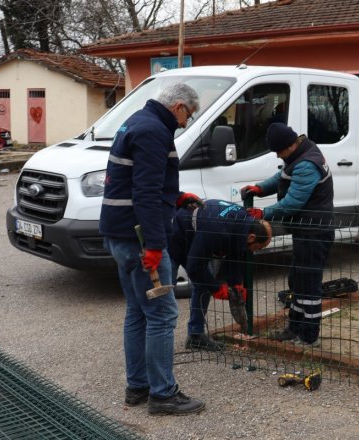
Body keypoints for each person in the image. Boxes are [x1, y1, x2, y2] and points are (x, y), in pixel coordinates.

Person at [99, 83, 205, 416]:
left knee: (137, 311)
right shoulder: (154, 132)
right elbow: (144, 193)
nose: (187, 123)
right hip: (139, 239)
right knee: (162, 315)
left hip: (119, 234)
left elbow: (142, 182)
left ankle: (138, 387)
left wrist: (175, 198)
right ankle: (163, 394)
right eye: (189, 115)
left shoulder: (137, 121)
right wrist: (156, 247)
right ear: (178, 106)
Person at [241, 123, 334, 348]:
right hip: (305, 231)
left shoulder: (307, 165)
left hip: (315, 232)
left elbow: (292, 203)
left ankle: (309, 337)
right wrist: (261, 188)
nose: (277, 155)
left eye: (278, 151)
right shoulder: (301, 153)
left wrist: (264, 212)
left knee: (309, 285)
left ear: (288, 146)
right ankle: (294, 328)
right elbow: (282, 176)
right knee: (298, 280)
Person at [168, 199, 273, 351]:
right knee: (164, 293)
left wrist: (236, 283)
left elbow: (236, 251)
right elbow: (195, 267)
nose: (254, 251)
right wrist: (216, 288)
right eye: (258, 247)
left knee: (203, 285)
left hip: (199, 235)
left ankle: (195, 336)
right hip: (176, 234)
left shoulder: (243, 221)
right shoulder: (219, 230)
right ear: (251, 237)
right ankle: (157, 344)